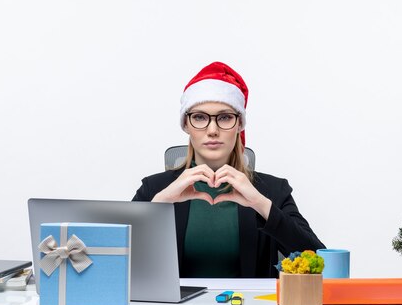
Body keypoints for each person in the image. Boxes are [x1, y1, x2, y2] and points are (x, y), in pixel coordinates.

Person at [132, 62, 325, 278]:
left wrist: (260, 204)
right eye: (199, 117)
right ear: (185, 125)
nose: (212, 130)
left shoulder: (272, 191)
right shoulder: (154, 188)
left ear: (239, 124)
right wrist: (157, 207)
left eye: (224, 117)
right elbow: (113, 262)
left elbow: (321, 260)